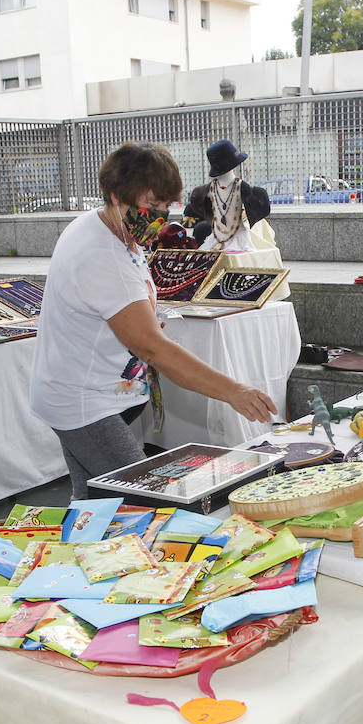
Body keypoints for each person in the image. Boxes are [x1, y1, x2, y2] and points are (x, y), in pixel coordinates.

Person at [30, 143, 277, 497]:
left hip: (90, 393)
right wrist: (233, 391)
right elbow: (155, 350)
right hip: (83, 402)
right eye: (151, 205)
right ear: (117, 196)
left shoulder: (111, 228)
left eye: (165, 205)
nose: (159, 215)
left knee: (94, 504)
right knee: (145, 499)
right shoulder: (101, 254)